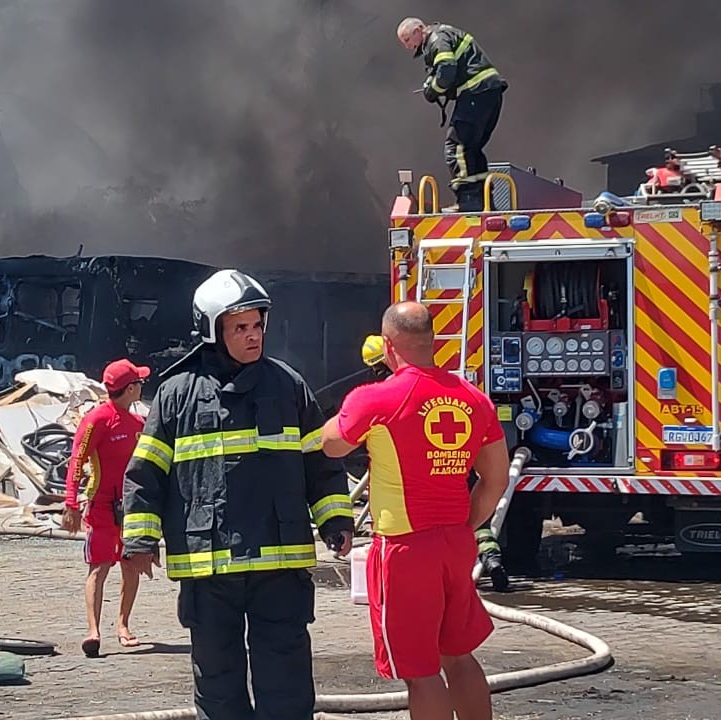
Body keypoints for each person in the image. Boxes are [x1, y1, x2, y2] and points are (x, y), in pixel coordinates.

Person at [121, 268, 355, 720]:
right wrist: (139, 541)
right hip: (209, 570)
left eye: (257, 325)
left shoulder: (288, 385)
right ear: (212, 331)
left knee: (286, 688)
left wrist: (336, 520)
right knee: (219, 689)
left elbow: (320, 463)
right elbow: (146, 471)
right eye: (239, 328)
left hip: (279, 568)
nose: (253, 336)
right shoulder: (176, 395)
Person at [322, 301, 510, 720]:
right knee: (458, 656)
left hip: (404, 551)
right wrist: (465, 524)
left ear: (388, 345)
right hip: (456, 543)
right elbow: (495, 480)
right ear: (432, 341)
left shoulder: (376, 398)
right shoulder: (475, 400)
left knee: (420, 673)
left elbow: (333, 444)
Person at [361, 334, 510, 592]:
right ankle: (491, 558)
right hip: (461, 464)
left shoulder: (386, 394)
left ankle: (485, 559)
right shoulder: (448, 387)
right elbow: (496, 478)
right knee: (477, 521)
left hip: (420, 495)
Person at [61, 358, 151, 658]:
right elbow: (77, 459)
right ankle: (93, 631)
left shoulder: (140, 423)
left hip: (132, 508)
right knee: (99, 567)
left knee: (131, 565)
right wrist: (71, 503)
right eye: (138, 382)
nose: (142, 386)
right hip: (101, 505)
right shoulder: (98, 420)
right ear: (128, 389)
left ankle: (123, 625)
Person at [397, 17, 508, 212]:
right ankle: (484, 201)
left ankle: (469, 201)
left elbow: (447, 69)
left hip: (476, 92)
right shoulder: (447, 34)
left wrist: (433, 89)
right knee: (471, 149)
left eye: (407, 40)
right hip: (488, 93)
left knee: (456, 147)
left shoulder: (436, 38)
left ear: (419, 30)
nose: (407, 47)